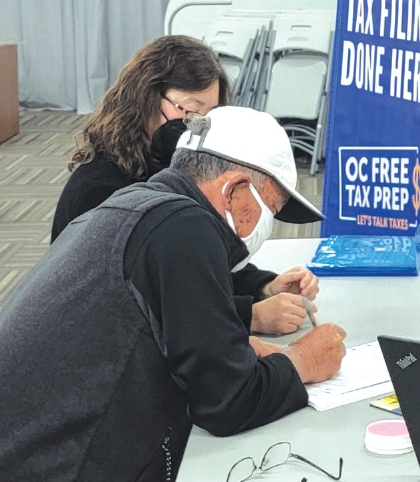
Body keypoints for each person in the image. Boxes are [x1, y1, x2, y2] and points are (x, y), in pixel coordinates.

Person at [0, 106, 347, 481]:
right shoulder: (185, 231)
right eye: (271, 208)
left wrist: (231, 345)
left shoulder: (142, 207)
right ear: (234, 190)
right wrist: (303, 360)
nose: (268, 225)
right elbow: (227, 402)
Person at [52, 35, 317, 337]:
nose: (196, 125)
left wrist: (263, 286)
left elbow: (199, 264)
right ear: (147, 98)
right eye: (189, 111)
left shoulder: (174, 169)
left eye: (208, 118)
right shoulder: (101, 188)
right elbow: (147, 305)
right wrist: (248, 316)